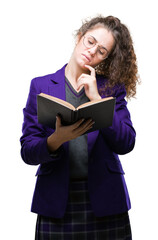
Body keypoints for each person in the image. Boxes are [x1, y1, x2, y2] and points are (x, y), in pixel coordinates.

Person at [20, 15, 139, 240]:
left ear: (105, 58)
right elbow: (27, 150)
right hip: (56, 202)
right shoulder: (41, 85)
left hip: (105, 200)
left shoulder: (111, 88)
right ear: (79, 37)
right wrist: (56, 139)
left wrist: (96, 98)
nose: (93, 51)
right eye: (90, 41)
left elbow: (126, 142)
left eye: (102, 51)